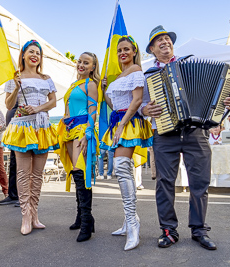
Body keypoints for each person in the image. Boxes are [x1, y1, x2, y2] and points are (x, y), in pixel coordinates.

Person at [141, 25, 230, 250]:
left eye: (167, 39)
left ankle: (199, 229)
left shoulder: (188, 63)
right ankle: (168, 230)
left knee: (200, 183)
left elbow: (220, 95)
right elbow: (140, 104)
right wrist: (145, 111)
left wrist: (229, 101)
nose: (165, 42)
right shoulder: (148, 75)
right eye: (159, 41)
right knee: (165, 183)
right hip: (165, 133)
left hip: (196, 131)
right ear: (152, 49)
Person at [100, 35, 153, 251]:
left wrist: (122, 124)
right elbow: (115, 104)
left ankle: (133, 224)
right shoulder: (120, 75)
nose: (122, 53)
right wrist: (105, 91)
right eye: (120, 50)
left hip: (128, 123)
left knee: (122, 168)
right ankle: (128, 221)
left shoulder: (136, 70)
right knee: (124, 172)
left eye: (126, 49)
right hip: (119, 123)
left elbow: (137, 100)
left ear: (133, 51)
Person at [2, 40, 59, 235]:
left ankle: (34, 214)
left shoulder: (46, 78)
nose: (35, 55)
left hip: (42, 127)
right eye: (31, 52)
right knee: (23, 174)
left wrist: (38, 108)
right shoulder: (14, 78)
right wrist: (17, 88)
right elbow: (9, 105)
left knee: (37, 175)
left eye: (38, 53)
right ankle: (25, 216)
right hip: (22, 128)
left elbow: (53, 102)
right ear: (24, 55)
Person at [57, 52, 100, 242]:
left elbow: (93, 111)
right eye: (80, 61)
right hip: (68, 130)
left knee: (80, 172)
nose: (81, 65)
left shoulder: (90, 84)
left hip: (81, 130)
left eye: (86, 62)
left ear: (92, 67)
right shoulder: (75, 84)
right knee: (76, 175)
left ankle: (85, 223)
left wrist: (87, 134)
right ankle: (83, 218)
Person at [0, 101, 19, 206]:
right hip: (13, 133)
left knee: (22, 167)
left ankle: (23, 196)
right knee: (13, 165)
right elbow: (8, 103)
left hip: (23, 131)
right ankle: (13, 194)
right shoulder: (12, 90)